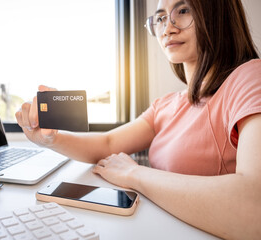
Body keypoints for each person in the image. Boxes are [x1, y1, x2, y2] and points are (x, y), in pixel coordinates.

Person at [16, 0, 261, 239]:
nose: (168, 28)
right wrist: (50, 140)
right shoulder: (165, 105)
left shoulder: (249, 77)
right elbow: (108, 143)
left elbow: (254, 208)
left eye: (183, 10)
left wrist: (135, 174)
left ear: (219, 15)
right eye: (161, 17)